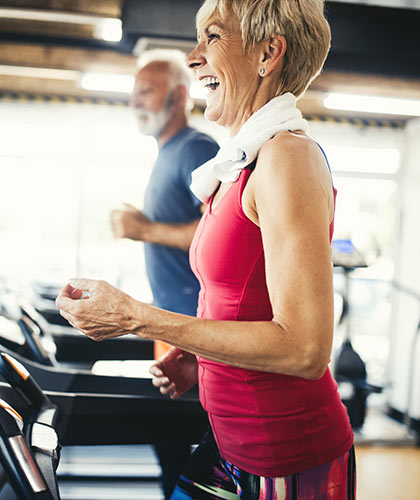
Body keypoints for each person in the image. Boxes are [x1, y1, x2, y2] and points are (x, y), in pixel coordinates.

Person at [56, 1, 355, 498]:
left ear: (269, 53)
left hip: (285, 452)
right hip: (226, 441)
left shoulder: (287, 159)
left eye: (212, 37)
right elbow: (245, 302)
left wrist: (137, 317)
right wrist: (201, 358)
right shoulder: (242, 163)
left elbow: (305, 348)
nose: (194, 57)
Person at [110, 51, 219, 499]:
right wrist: (144, 224)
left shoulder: (196, 148)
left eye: (146, 92)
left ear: (178, 95)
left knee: (184, 452)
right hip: (170, 322)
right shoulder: (167, 152)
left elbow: (221, 232)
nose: (136, 102)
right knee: (168, 445)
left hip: (195, 331)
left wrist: (145, 228)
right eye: (133, 94)